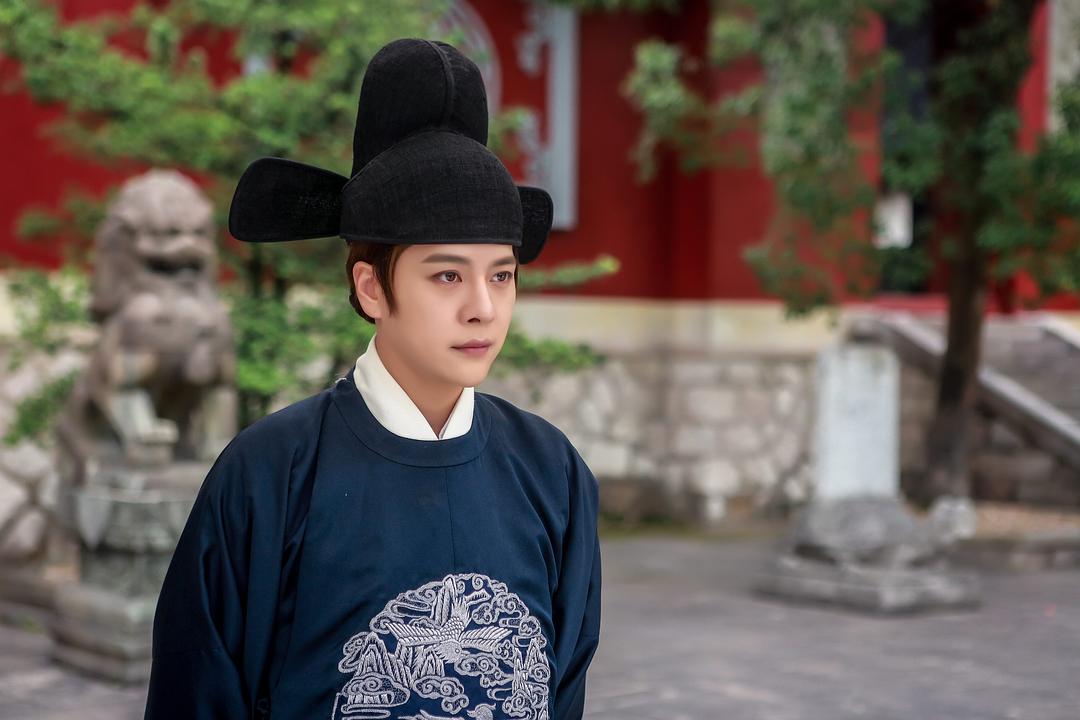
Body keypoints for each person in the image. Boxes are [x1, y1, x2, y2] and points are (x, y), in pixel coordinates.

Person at [143, 37, 602, 720]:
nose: (483, 307)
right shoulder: (269, 474)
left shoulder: (553, 474)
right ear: (371, 288)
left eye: (502, 275)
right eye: (447, 276)